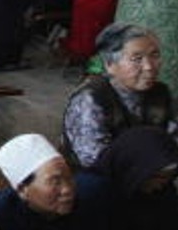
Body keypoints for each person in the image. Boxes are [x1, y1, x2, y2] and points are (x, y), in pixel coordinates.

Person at [62, 22, 176, 169]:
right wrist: (146, 172)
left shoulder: (161, 92)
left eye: (154, 55)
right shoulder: (92, 98)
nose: (149, 67)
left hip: (152, 172)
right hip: (101, 175)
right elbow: (94, 157)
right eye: (137, 59)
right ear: (110, 65)